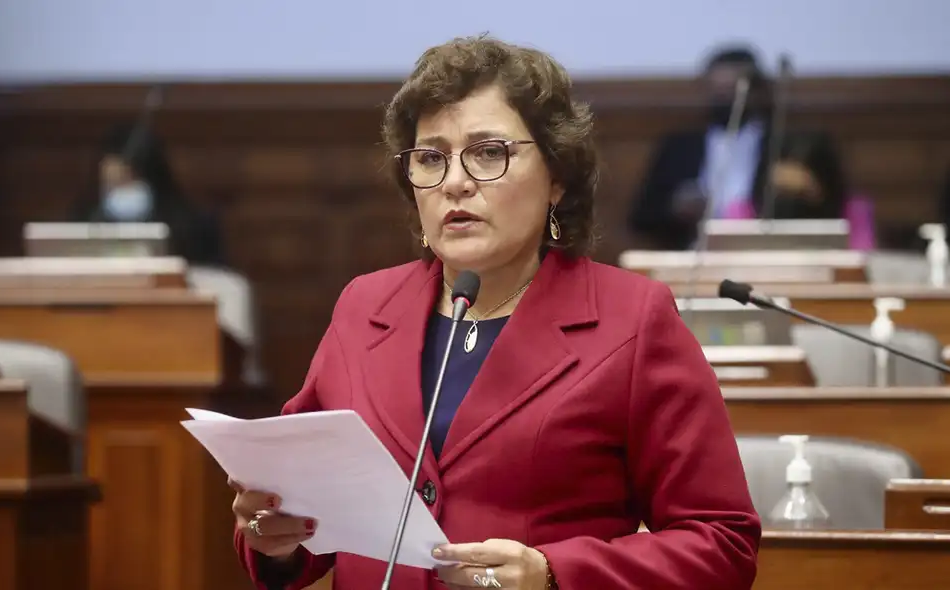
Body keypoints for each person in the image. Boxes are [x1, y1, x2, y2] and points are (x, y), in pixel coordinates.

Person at [231, 36, 760, 590]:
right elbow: (300, 519)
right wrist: (274, 540)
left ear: (556, 175)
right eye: (431, 158)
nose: (455, 181)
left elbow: (721, 542)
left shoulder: (632, 320)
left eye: (488, 152)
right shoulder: (364, 307)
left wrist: (555, 574)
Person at [628, 45, 774, 250]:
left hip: (765, 251)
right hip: (696, 251)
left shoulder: (783, 144)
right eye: (717, 91)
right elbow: (642, 215)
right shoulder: (679, 147)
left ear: (756, 91)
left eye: (731, 91)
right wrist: (675, 208)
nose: (724, 99)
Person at [70, 123, 223, 265]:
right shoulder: (85, 220)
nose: (121, 192)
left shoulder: (193, 227)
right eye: (112, 185)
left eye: (128, 180)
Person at [722, 131, 876, 250]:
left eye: (803, 193)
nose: (792, 201)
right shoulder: (741, 211)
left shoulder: (853, 210)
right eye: (783, 191)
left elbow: (863, 258)